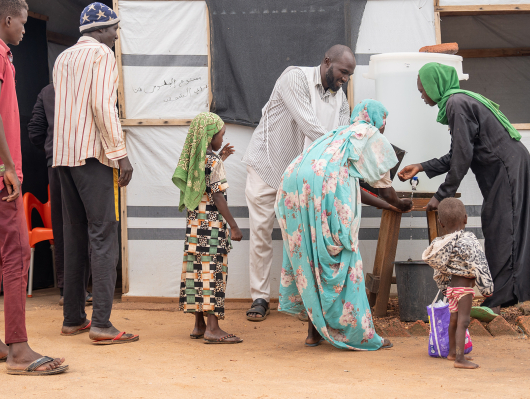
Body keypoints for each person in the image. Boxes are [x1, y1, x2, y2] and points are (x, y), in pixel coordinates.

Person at [0, 0, 67, 375]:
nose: (26, 29)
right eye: (23, 22)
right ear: (7, 20)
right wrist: (8, 165)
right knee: (18, 253)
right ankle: (19, 350)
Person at [398, 62, 530, 312]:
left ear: (435, 85)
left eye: (422, 89)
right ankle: (506, 294)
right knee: (501, 224)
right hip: (508, 165)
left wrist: (441, 195)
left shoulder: (456, 104)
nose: (422, 95)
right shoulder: (459, 102)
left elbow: (461, 157)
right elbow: (459, 152)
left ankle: (500, 298)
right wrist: (422, 167)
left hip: (506, 168)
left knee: (503, 226)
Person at [276, 99, 411, 351]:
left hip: (295, 186)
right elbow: (386, 190)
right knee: (344, 256)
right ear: (376, 120)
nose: (383, 128)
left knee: (314, 255)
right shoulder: (368, 134)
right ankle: (361, 334)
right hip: (321, 192)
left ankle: (313, 333)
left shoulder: (338, 136)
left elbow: (354, 188)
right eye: (384, 122)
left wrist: (388, 205)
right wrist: (400, 204)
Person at [242, 45, 356, 322]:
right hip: (267, 166)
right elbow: (311, 126)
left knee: (302, 238)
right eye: (342, 72)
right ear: (327, 61)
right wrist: (345, 149)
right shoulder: (294, 78)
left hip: (301, 177)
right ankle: (260, 296)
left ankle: (301, 299)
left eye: (349, 75)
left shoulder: (341, 100)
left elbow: (342, 133)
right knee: (260, 232)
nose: (345, 80)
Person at [54, 2, 136, 345]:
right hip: (93, 156)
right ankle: (102, 323)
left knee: (74, 236)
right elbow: (103, 106)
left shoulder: (63, 58)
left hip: (63, 157)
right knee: (104, 236)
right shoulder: (102, 55)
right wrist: (121, 155)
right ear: (101, 30)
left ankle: (73, 318)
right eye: (114, 29)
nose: (116, 35)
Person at [172, 112, 243, 344]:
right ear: (210, 135)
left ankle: (199, 325)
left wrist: (220, 157)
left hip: (194, 229)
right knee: (213, 274)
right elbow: (217, 195)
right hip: (211, 230)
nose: (222, 139)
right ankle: (213, 329)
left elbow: (205, 178)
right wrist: (233, 226)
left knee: (196, 274)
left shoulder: (196, 159)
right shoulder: (212, 161)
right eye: (221, 135)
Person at [28, 83, 91, 307]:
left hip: (55, 162)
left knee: (64, 226)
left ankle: (68, 290)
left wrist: (50, 148)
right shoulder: (89, 85)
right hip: (88, 161)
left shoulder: (47, 91)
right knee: (90, 223)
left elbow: (35, 131)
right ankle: (84, 288)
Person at [422, 198, 494, 370]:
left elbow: (440, 271)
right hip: (464, 290)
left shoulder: (442, 244)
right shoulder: (469, 241)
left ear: (440, 223)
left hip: (452, 289)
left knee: (453, 321)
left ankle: (452, 352)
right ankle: (460, 359)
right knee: (463, 321)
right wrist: (487, 289)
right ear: (466, 218)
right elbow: (480, 265)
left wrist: (444, 289)